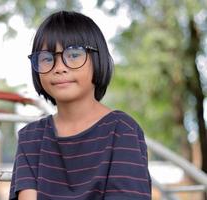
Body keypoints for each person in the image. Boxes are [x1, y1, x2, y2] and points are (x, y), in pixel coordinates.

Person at [9, 10, 151, 200]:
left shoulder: (122, 131)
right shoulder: (30, 138)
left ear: (98, 58)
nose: (59, 68)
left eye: (74, 54)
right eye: (46, 58)